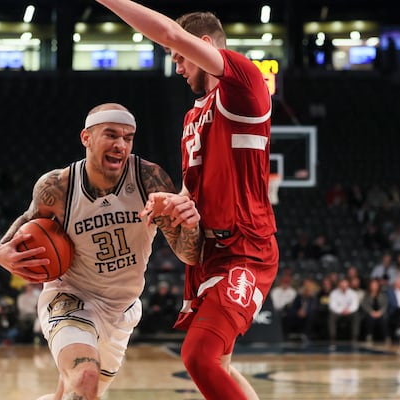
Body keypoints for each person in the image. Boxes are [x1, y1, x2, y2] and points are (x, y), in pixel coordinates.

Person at [94, 2, 278, 399]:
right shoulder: (193, 116)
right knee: (219, 365)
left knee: (200, 356)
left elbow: (173, 34)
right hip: (211, 251)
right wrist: (173, 202)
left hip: (245, 249)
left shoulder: (244, 84)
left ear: (204, 45)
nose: (177, 66)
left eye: (180, 58)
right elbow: (192, 192)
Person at [0, 103, 201, 400]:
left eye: (128, 138)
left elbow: (188, 255)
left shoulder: (149, 179)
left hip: (122, 308)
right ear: (86, 138)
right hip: (72, 297)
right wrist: (0, 252)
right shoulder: (58, 186)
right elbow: (25, 224)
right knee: (85, 378)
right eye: (111, 135)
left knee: (77, 394)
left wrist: (191, 225)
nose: (120, 145)